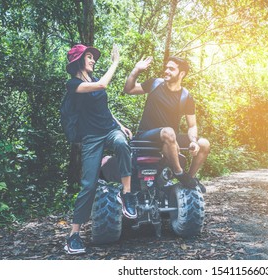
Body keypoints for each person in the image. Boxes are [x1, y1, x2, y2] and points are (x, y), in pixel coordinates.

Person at [64, 44, 137, 255]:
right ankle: (73, 235)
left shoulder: (93, 81)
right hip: (91, 138)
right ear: (79, 61)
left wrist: (120, 124)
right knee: (88, 185)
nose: (93, 60)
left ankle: (127, 195)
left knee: (122, 143)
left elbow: (103, 108)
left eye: (93, 57)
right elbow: (103, 86)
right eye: (89, 57)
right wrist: (115, 62)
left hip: (109, 129)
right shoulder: (74, 84)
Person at [123, 56, 210, 191]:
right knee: (169, 132)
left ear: (181, 74)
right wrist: (136, 70)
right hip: (146, 136)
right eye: (166, 68)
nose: (166, 71)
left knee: (204, 144)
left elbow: (192, 125)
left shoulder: (186, 96)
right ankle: (179, 172)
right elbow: (129, 89)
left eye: (171, 69)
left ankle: (188, 181)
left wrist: (193, 141)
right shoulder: (155, 84)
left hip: (170, 139)